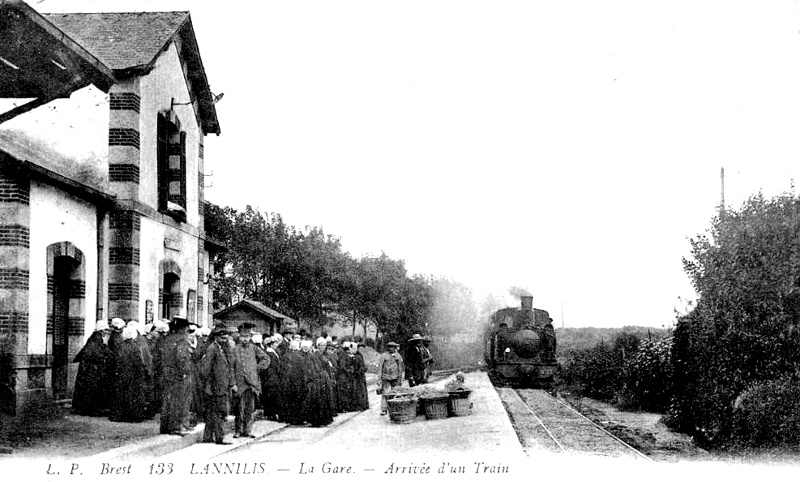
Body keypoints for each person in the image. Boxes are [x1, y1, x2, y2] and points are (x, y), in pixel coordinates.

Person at [231, 322, 269, 438]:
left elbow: (266, 358)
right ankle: (238, 430)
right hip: (240, 383)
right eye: (243, 337)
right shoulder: (234, 350)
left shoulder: (254, 349)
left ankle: (247, 430)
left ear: (250, 337)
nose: (245, 339)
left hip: (252, 384)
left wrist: (257, 368)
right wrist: (233, 383)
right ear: (239, 337)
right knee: (239, 408)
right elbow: (231, 368)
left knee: (250, 408)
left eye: (247, 337)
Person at [200, 325, 237, 445]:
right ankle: (219, 438)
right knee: (219, 413)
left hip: (220, 386)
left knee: (213, 413)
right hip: (215, 387)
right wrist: (211, 383)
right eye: (222, 337)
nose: (225, 339)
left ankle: (208, 437)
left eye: (226, 337)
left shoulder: (222, 349)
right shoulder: (212, 349)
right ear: (216, 337)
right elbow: (205, 369)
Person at [109, 325, 152, 422]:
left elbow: (117, 360)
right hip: (133, 376)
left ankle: (119, 415)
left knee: (121, 395)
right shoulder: (134, 347)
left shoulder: (121, 346)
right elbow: (138, 362)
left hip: (122, 374)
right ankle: (132, 415)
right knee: (133, 396)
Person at [159, 316, 194, 435]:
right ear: (183, 328)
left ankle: (165, 426)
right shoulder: (182, 341)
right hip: (179, 375)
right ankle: (176, 427)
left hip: (167, 373)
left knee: (167, 401)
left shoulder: (167, 339)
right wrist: (186, 372)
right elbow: (182, 359)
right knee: (179, 401)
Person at [72, 319, 111, 416]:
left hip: (89, 369)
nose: (106, 333)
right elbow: (95, 354)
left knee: (88, 389)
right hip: (91, 369)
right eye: (105, 330)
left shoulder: (94, 339)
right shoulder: (96, 339)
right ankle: (89, 409)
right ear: (101, 331)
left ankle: (86, 408)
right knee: (91, 389)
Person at [377, 341, 404, 415]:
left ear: (395, 348)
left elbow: (400, 367)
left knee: (396, 392)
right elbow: (380, 367)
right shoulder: (384, 355)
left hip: (395, 377)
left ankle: (395, 408)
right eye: (389, 347)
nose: (390, 348)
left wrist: (400, 377)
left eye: (392, 347)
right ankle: (384, 409)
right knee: (385, 393)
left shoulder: (398, 356)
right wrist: (379, 379)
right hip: (386, 377)